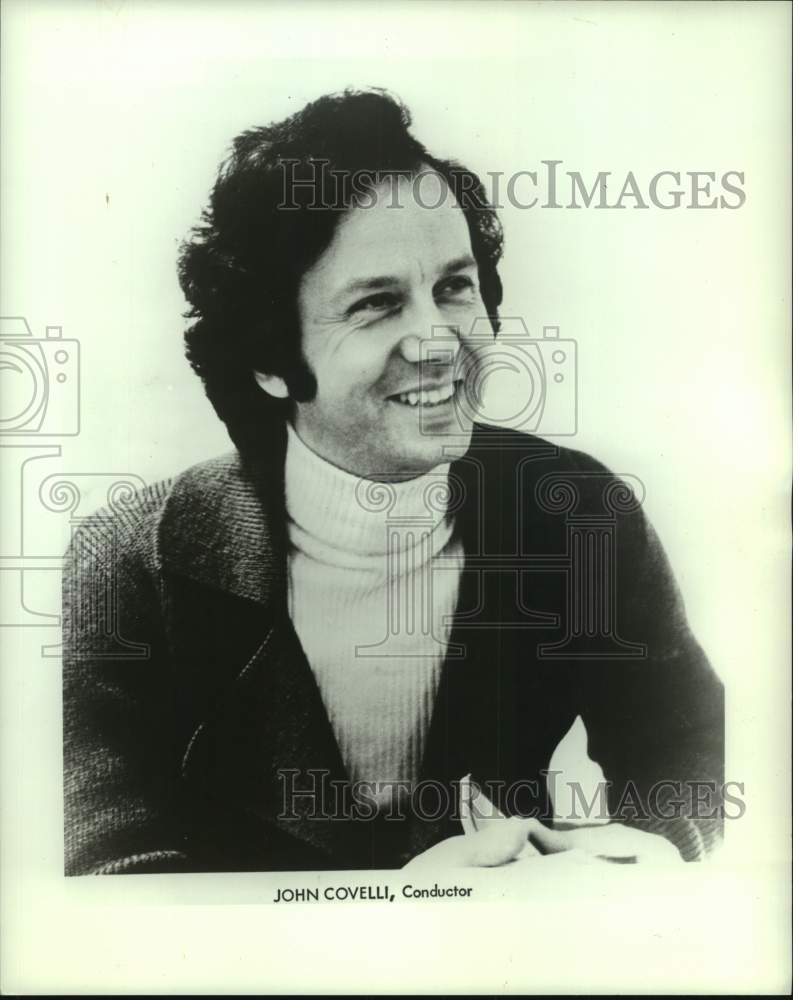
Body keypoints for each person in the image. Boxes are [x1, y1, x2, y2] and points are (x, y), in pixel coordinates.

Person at [62, 89, 724, 875]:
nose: (439, 340)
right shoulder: (133, 559)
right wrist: (396, 912)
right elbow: (107, 863)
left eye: (454, 286)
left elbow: (687, 738)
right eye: (377, 305)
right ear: (270, 361)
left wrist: (651, 844)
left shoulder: (574, 511)